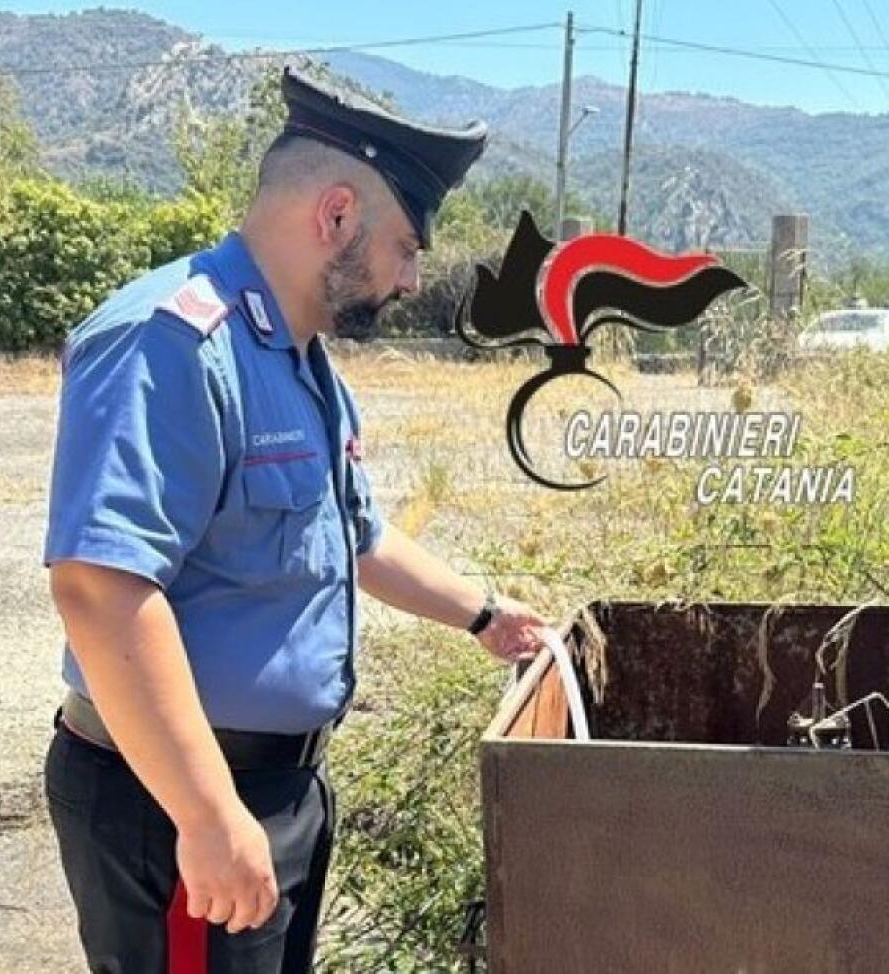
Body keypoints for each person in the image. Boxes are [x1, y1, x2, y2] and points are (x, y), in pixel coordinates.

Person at [42, 65, 558, 974]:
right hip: (180, 803)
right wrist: (206, 817)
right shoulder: (171, 341)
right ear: (336, 216)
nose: (410, 279)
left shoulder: (299, 361)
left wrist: (484, 615)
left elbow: (356, 536)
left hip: (274, 791)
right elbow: (101, 587)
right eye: (405, 247)